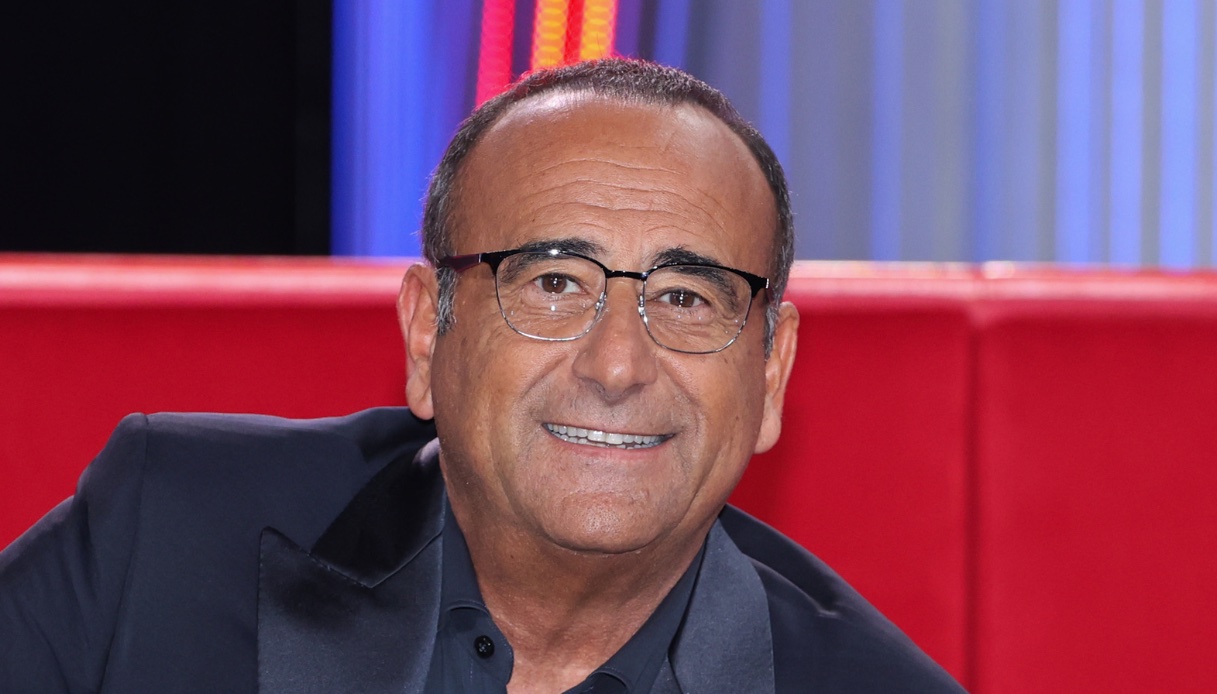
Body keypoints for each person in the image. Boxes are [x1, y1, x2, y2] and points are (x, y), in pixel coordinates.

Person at [0, 59, 964, 693]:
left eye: (685, 297)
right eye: (552, 283)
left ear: (770, 372)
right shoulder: (165, 533)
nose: (618, 365)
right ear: (428, 333)